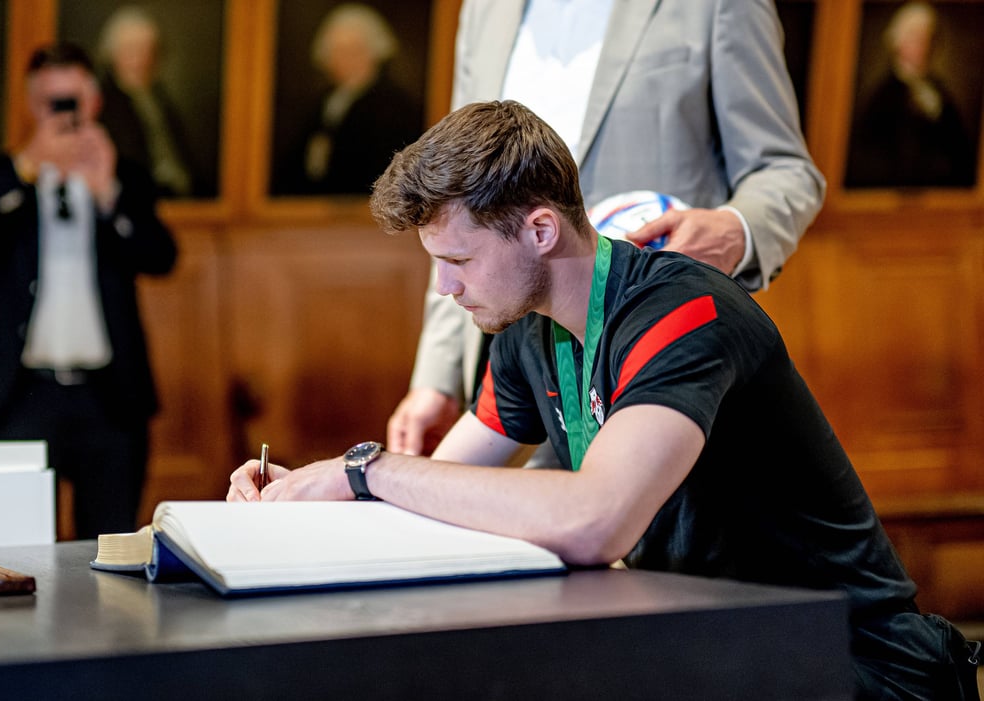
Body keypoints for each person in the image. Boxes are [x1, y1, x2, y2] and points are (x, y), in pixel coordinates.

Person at [229, 100, 979, 700]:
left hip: (850, 663)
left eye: (457, 260)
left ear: (540, 229)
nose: (447, 288)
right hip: (716, 646)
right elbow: (427, 491)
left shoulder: (682, 311)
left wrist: (367, 467)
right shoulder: (524, 336)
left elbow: (597, 521)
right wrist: (301, 493)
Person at [387, 0, 826, 458]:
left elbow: (785, 169)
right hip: (520, 332)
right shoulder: (485, 10)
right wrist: (436, 378)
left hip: (652, 336)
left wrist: (735, 230)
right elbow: (449, 205)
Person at [0, 42, 177, 539]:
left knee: (109, 550)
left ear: (94, 102)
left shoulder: (126, 177)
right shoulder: (0, 177)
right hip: (16, 395)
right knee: (9, 548)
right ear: (29, 106)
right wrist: (25, 166)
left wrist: (108, 196)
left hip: (108, 397)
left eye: (71, 101)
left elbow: (161, 257)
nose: (61, 114)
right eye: (49, 102)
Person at [272, 3, 422, 195]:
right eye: (337, 52)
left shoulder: (392, 105)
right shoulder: (322, 102)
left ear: (374, 52)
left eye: (353, 50)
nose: (344, 60)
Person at [845, 1, 976, 188]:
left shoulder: (940, 92)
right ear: (899, 43)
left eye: (928, 39)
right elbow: (870, 157)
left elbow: (960, 150)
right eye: (916, 39)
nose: (923, 47)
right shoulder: (884, 95)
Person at [96, 5, 201, 197]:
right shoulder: (103, 104)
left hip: (181, 199)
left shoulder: (159, 99)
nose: (139, 61)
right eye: (131, 51)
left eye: (146, 51)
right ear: (112, 54)